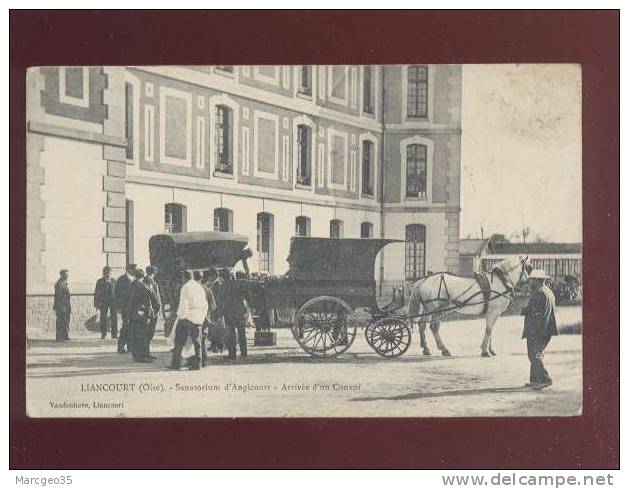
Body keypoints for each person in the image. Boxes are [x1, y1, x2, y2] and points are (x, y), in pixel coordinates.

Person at [521, 269, 558, 389]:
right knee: (535, 354)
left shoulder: (538, 293)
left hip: (537, 330)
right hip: (546, 330)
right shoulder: (548, 292)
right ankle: (535, 380)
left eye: (531, 280)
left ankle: (545, 379)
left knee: (534, 355)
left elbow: (531, 311)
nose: (530, 282)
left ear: (537, 281)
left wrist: (523, 309)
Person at [168, 270, 208, 370]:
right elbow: (205, 304)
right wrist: (202, 316)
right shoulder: (199, 287)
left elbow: (183, 304)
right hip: (199, 316)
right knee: (197, 342)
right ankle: (197, 364)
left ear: (184, 277)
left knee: (179, 341)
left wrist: (181, 317)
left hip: (188, 316)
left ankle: (176, 364)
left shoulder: (185, 287)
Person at [213, 268, 249, 361]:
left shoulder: (223, 287)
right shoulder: (238, 284)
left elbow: (221, 302)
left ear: (223, 277)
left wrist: (219, 313)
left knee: (231, 333)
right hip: (240, 311)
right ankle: (244, 352)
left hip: (230, 313)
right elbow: (245, 297)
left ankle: (232, 354)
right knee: (242, 332)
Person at [128, 269, 160, 363]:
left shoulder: (131, 285)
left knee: (135, 335)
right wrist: (156, 309)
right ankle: (142, 356)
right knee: (142, 335)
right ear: (142, 277)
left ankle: (136, 356)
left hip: (133, 314)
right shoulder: (144, 286)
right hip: (143, 314)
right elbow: (154, 298)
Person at [116, 263, 137, 354]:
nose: (135, 271)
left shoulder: (135, 279)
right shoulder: (121, 279)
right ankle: (120, 347)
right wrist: (118, 306)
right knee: (126, 327)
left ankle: (130, 346)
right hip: (125, 307)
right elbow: (117, 294)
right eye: (133, 269)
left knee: (132, 327)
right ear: (128, 269)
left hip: (134, 307)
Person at [201, 269, 219, 361]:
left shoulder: (217, 284)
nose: (209, 278)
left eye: (211, 276)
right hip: (210, 309)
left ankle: (215, 345)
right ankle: (213, 345)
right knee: (212, 329)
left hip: (215, 309)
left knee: (215, 328)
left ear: (214, 275)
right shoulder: (210, 285)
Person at [94, 266, 117, 339]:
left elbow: (117, 292)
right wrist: (97, 303)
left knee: (114, 318)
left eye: (109, 272)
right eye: (106, 272)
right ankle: (103, 334)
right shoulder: (100, 281)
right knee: (103, 318)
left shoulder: (114, 281)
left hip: (113, 302)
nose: (108, 274)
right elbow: (96, 293)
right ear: (103, 273)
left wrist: (118, 303)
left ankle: (114, 334)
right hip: (103, 302)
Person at [144, 266, 162, 359]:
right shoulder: (150, 282)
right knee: (149, 333)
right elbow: (154, 298)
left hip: (152, 311)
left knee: (148, 333)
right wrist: (157, 310)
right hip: (152, 312)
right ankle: (146, 353)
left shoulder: (147, 281)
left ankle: (147, 352)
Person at [53, 269, 71, 341]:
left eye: (68, 274)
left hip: (66, 306)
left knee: (66, 321)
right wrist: (62, 307)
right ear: (62, 275)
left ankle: (65, 336)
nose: (67, 276)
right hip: (61, 306)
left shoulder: (64, 283)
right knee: (60, 321)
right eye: (66, 274)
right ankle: (59, 337)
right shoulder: (59, 284)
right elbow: (59, 297)